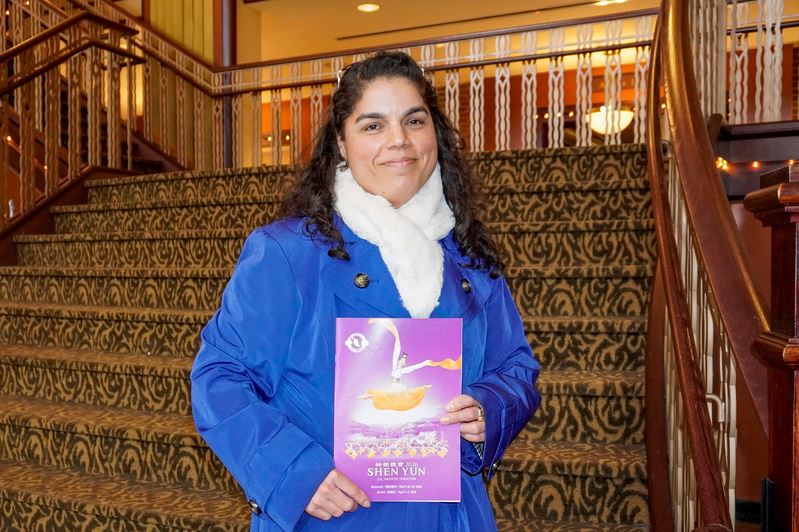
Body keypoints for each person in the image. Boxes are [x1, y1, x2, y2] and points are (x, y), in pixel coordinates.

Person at [191, 51, 540, 532]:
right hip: (335, 517)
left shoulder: (469, 257)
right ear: (341, 142)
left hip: (455, 517)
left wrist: (489, 408)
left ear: (434, 133)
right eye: (373, 125)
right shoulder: (287, 253)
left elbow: (516, 367)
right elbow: (220, 377)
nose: (399, 140)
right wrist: (292, 473)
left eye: (414, 120)